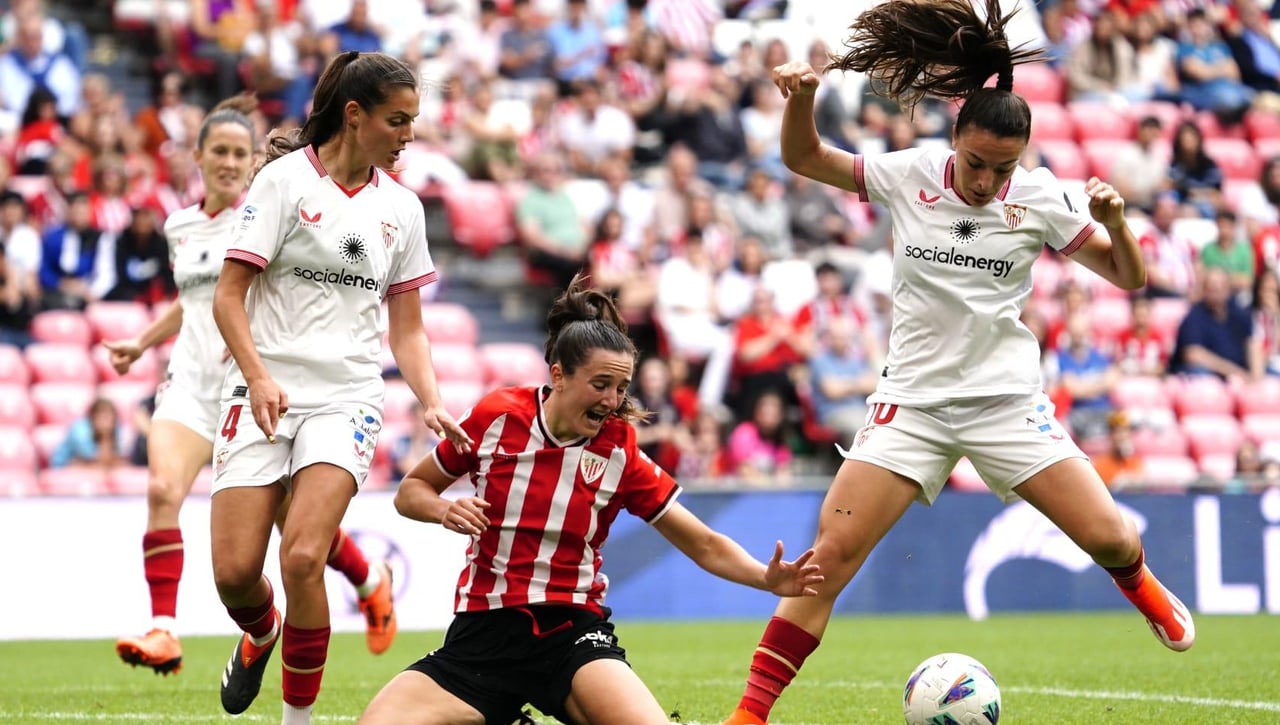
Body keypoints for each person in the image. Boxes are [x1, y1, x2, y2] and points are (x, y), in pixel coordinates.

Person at [721, 3, 1196, 723]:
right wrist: (804, 101)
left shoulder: (1040, 197)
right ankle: (747, 716)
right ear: (954, 140)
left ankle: (1146, 590)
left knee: (1111, 536)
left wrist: (1118, 227)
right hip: (911, 402)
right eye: (975, 163)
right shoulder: (909, 173)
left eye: (1000, 167)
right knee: (828, 557)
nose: (983, 180)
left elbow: (1128, 279)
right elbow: (802, 158)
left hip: (1006, 401)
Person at [357, 275, 823, 725]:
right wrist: (444, 509)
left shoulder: (620, 449)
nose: (612, 399)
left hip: (573, 633)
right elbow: (410, 492)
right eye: (601, 385)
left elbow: (702, 543)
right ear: (558, 376)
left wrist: (766, 578)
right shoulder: (497, 417)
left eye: (621, 388)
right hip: (483, 633)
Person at [208, 51, 472, 725]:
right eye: (398, 119)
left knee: (301, 554)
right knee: (236, 574)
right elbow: (229, 297)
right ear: (354, 116)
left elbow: (407, 329)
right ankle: (260, 630)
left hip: (346, 398)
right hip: (263, 392)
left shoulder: (403, 210)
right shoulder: (283, 183)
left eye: (414, 119)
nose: (409, 133)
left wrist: (431, 396)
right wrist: (259, 377)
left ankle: (297, 722)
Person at [108, 95, 403, 679]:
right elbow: (193, 299)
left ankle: (369, 577)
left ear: (252, 163)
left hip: (262, 389)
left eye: (239, 153)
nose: (227, 161)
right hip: (192, 386)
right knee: (163, 487)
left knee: (293, 533)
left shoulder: (275, 208)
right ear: (196, 156)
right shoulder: (180, 226)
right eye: (217, 150)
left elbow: (258, 292)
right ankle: (165, 629)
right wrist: (144, 341)